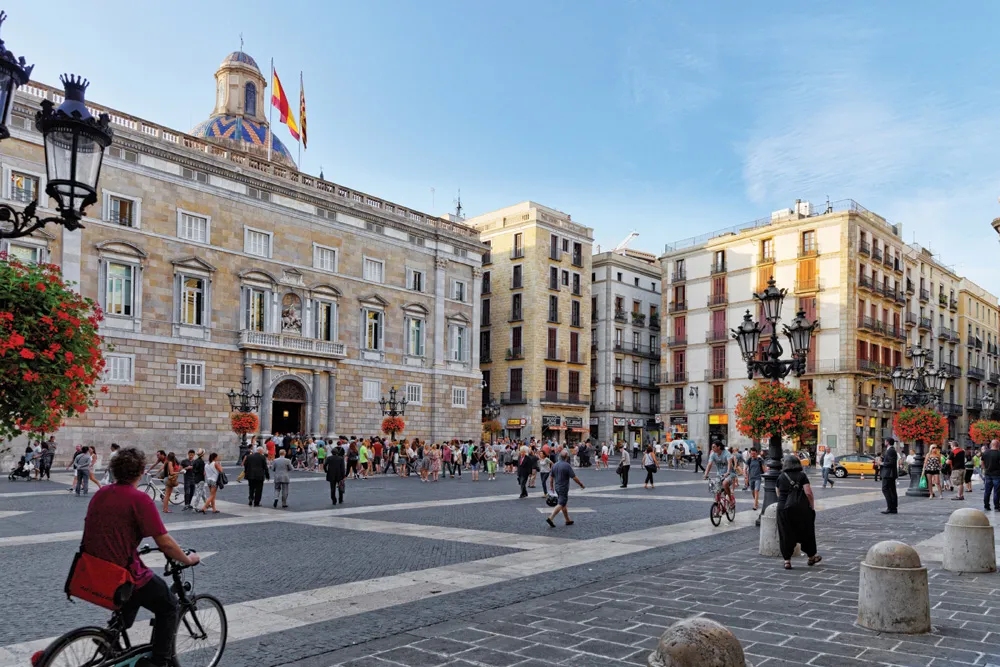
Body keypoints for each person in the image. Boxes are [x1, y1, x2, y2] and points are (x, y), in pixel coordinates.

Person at [79, 447, 199, 667]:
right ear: (142, 470)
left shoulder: (101, 494)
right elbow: (164, 543)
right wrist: (187, 559)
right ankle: (159, 663)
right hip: (124, 573)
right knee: (169, 607)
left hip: (93, 568)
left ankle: (110, 639)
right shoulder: (139, 499)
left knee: (133, 597)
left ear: (114, 470)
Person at [775, 453, 821, 570]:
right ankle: (811, 556)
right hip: (801, 508)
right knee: (807, 531)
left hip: (783, 509)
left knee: (785, 534)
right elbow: (808, 492)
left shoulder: (781, 477)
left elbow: (778, 493)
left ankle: (787, 561)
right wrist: (811, 506)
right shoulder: (802, 476)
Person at [545, 450, 586, 527]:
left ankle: (567, 520)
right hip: (563, 487)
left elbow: (551, 478)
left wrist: (551, 487)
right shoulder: (567, 465)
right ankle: (551, 517)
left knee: (564, 503)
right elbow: (574, 477)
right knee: (561, 503)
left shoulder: (555, 465)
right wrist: (581, 484)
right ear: (566, 457)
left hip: (557, 487)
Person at [703, 442, 736, 507]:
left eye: (713, 447)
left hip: (730, 473)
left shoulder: (726, 453)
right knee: (717, 490)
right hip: (719, 474)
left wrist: (728, 472)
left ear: (719, 447)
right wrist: (705, 474)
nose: (712, 448)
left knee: (725, 483)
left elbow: (729, 463)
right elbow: (709, 464)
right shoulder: (713, 454)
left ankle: (731, 500)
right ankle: (717, 508)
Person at [880, 440, 899, 514]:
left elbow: (891, 462)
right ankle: (893, 508)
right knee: (891, 490)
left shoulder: (890, 450)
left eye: (885, 441)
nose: (884, 442)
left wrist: (881, 463)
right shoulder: (890, 450)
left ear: (887, 442)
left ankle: (890, 507)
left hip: (888, 474)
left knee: (886, 489)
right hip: (889, 473)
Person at [982, 439, 1000, 512]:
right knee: (997, 491)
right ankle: (996, 507)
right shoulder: (999, 453)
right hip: (997, 475)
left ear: (991, 445)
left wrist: (985, 469)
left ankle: (986, 506)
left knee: (987, 491)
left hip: (988, 474)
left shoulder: (985, 453)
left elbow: (982, 463)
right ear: (998, 445)